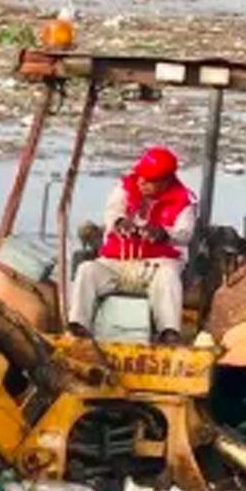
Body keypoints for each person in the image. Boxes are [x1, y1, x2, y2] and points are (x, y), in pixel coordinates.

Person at [68, 146, 196, 345]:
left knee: (169, 277)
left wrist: (164, 233)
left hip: (155, 267)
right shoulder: (124, 188)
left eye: (150, 179)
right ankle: (78, 328)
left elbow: (185, 233)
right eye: (140, 175)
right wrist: (119, 222)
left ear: (167, 180)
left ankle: (169, 333)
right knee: (86, 270)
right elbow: (112, 211)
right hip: (115, 263)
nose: (141, 181)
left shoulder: (184, 201)